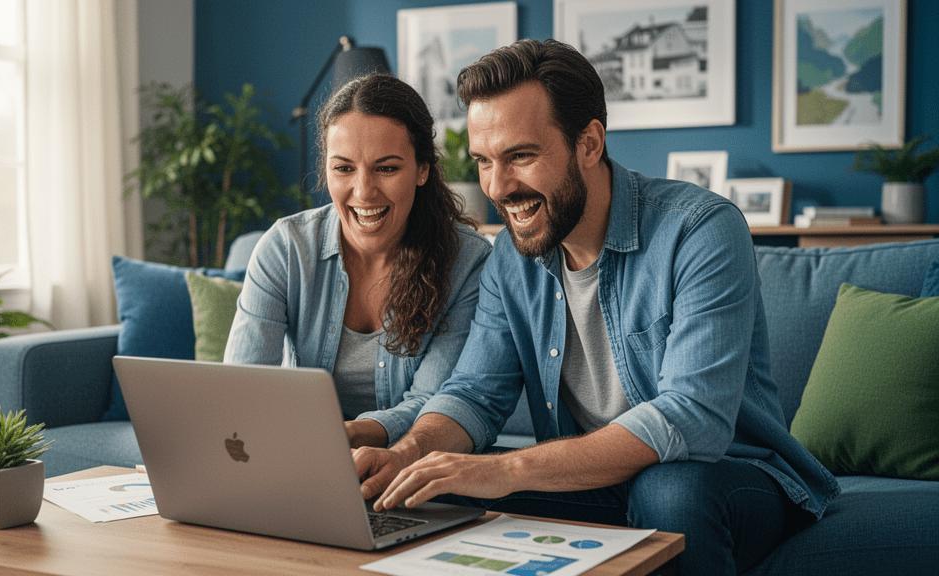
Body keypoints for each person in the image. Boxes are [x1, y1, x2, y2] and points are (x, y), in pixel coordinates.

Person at [353, 40, 839, 574]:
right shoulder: (511, 259)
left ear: (589, 143)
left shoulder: (700, 229)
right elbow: (473, 394)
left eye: (521, 156)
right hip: (593, 482)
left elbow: (692, 417)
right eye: (483, 161)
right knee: (442, 492)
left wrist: (510, 469)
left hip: (729, 475)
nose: (498, 187)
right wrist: (408, 454)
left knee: (669, 492)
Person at [224, 74, 491, 449]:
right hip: (297, 457)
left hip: (410, 465)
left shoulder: (467, 262)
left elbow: (435, 404)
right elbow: (244, 387)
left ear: (423, 170)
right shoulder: (286, 248)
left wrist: (347, 434)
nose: (363, 191)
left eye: (386, 168)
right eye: (344, 168)